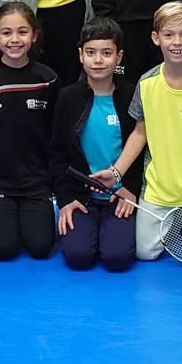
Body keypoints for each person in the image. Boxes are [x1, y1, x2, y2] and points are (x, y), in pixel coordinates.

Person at [112, 1, 182, 267]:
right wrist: (117, 172)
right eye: (169, 34)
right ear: (156, 38)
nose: (177, 42)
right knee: (144, 253)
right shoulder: (147, 83)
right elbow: (140, 132)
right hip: (158, 191)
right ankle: (173, 221)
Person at [0, 2, 60, 261]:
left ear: (34, 35)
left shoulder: (48, 79)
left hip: (35, 181)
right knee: (4, 249)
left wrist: (53, 179)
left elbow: (55, 135)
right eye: (6, 33)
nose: (14, 39)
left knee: (41, 247)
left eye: (22, 32)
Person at [52, 18, 140, 271]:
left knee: (117, 258)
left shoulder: (131, 96)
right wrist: (66, 198)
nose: (98, 60)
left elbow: (143, 148)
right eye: (91, 53)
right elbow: (57, 153)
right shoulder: (68, 97)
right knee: (78, 256)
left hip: (120, 195)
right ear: (81, 55)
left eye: (106, 53)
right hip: (82, 197)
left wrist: (131, 189)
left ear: (119, 57)